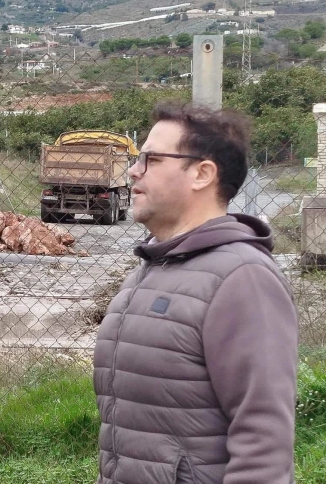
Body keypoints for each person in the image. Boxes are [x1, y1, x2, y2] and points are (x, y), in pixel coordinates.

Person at [93, 102, 298, 484]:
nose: (133, 171)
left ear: (202, 174)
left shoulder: (243, 279)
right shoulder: (152, 267)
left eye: (151, 159)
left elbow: (263, 441)